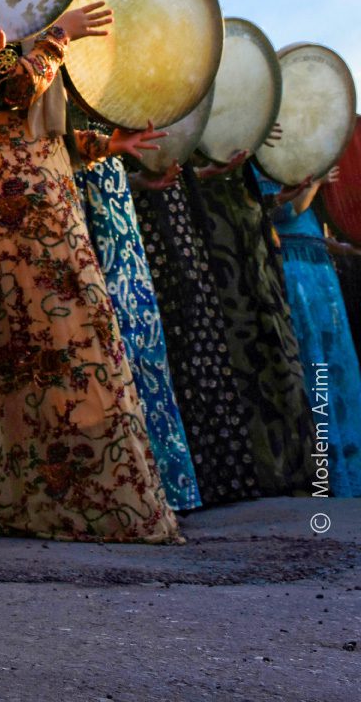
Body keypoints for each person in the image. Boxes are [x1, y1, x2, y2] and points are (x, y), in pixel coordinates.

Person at [0, 7, 182, 542]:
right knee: (45, 330)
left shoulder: (31, 9)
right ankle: (55, 495)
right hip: (9, 183)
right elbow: (12, 91)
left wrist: (109, 145)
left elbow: (47, 126)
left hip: (42, 174)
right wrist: (60, 35)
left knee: (64, 329)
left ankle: (67, 490)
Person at [73, 136, 202, 513]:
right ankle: (129, 487)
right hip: (82, 212)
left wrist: (139, 181)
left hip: (116, 211)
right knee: (110, 344)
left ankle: (163, 483)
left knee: (143, 345)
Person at [128, 161, 261, 508]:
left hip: (176, 216)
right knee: (173, 347)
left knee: (200, 341)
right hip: (145, 219)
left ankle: (218, 476)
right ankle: (189, 481)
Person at [194, 150, 316, 495]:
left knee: (277, 352)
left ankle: (297, 469)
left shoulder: (245, 152)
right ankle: (260, 471)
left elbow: (255, 205)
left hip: (254, 248)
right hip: (217, 244)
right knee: (240, 357)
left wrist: (277, 198)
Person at [255, 165, 361, 496]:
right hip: (296, 269)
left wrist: (340, 247)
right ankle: (324, 473)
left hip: (315, 267)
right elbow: (286, 212)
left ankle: (347, 470)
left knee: (337, 371)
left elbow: (307, 225)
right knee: (316, 368)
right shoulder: (267, 163)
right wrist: (314, 178)